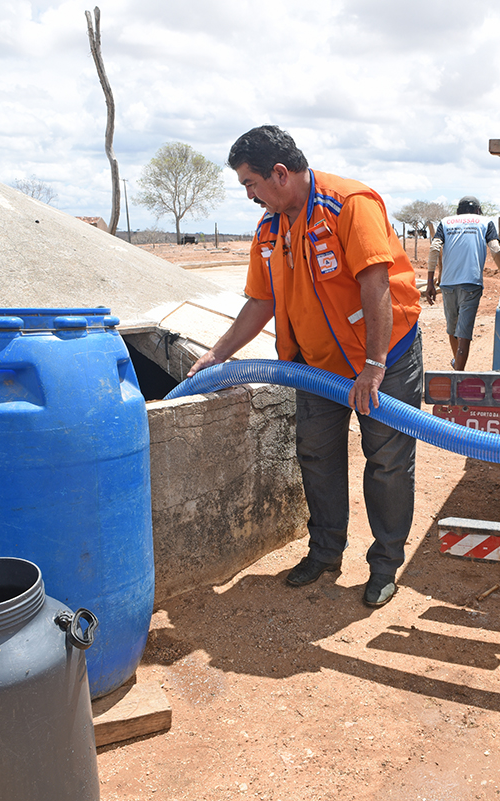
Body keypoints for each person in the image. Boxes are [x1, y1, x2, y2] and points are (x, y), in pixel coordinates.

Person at [186, 125, 423, 608]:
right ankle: (325, 552)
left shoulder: (349, 204)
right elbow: (260, 301)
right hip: (315, 369)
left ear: (279, 173)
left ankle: (383, 566)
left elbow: (375, 284)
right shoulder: (270, 229)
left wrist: (374, 367)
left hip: (383, 362)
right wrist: (218, 354)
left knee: (386, 463)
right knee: (316, 456)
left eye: (250, 184)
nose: (249, 195)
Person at [425, 196, 500, 370]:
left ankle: (457, 365)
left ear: (457, 212)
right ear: (478, 210)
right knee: (464, 333)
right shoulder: (485, 222)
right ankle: (459, 373)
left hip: (448, 284)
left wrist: (430, 281)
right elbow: (496, 249)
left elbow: (434, 248)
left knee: (452, 329)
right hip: (471, 282)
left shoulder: (446, 222)